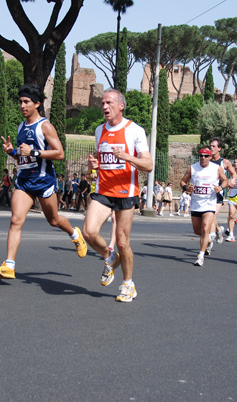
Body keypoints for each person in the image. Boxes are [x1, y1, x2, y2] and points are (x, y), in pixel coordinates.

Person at [0, 84, 87, 280]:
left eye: (26, 102)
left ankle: (75, 235)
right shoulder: (21, 127)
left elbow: (60, 153)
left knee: (54, 220)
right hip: (24, 181)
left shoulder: (45, 126)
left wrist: (33, 151)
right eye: (20, 102)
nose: (22, 105)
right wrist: (12, 152)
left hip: (43, 180)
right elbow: (23, 158)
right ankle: (9, 265)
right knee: (16, 220)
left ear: (37, 104)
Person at [82, 88, 153, 303]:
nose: (104, 106)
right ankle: (108, 256)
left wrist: (127, 157)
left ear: (121, 106)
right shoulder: (98, 130)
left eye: (109, 103)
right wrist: (93, 165)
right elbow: (97, 162)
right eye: (103, 103)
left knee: (122, 242)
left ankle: (128, 284)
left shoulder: (135, 130)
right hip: (103, 189)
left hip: (126, 192)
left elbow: (148, 165)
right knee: (88, 232)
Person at [180, 147, 228, 266]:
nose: (203, 158)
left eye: (206, 156)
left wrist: (220, 187)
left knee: (206, 227)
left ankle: (200, 256)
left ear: (210, 157)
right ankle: (209, 238)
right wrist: (187, 188)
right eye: (201, 155)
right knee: (198, 231)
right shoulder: (192, 168)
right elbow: (182, 182)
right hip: (196, 204)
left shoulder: (217, 168)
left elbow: (225, 181)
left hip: (209, 204)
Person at [209, 137, 237, 244]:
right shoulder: (207, 160)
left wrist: (232, 180)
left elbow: (233, 173)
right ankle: (218, 230)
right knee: (209, 217)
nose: (211, 148)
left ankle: (209, 243)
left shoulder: (225, 162)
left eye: (214, 146)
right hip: (208, 193)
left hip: (219, 192)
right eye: (210, 146)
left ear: (219, 148)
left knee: (212, 215)